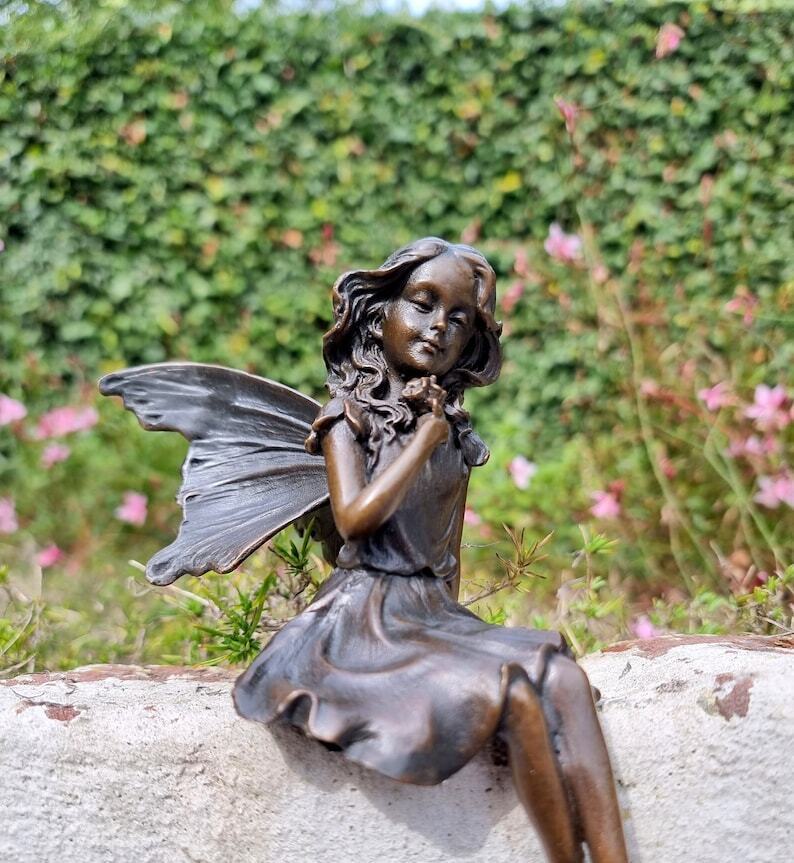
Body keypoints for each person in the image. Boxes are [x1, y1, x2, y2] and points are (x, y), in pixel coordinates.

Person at [233, 238, 629, 863]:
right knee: (515, 693)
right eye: (422, 304)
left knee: (564, 676)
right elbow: (354, 521)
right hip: (361, 620)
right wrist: (422, 440)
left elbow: (446, 553)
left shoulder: (452, 427)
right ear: (378, 316)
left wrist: (460, 632)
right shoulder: (348, 419)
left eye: (459, 318)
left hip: (427, 612)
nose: (439, 325)